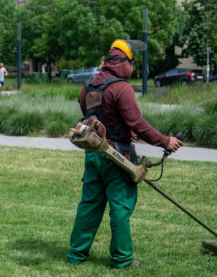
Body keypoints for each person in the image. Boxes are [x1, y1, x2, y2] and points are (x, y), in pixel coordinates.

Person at [67, 39, 183, 269]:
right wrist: (165, 141)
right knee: (120, 207)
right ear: (126, 63)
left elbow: (89, 113)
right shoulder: (121, 87)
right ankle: (121, 259)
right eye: (132, 62)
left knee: (89, 204)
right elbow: (137, 123)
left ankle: (76, 255)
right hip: (118, 157)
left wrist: (118, 127)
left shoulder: (89, 85)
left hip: (93, 154)